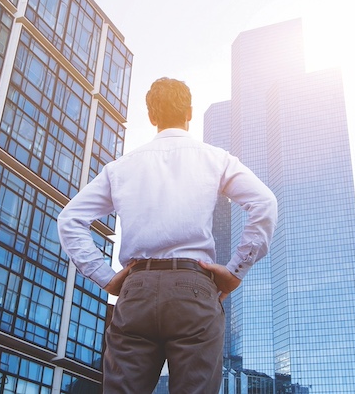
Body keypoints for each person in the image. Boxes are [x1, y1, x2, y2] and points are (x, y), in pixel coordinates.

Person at [58, 77, 277, 393]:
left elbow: (70, 220)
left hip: (137, 291)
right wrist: (234, 271)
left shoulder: (120, 168)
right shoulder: (215, 158)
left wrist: (106, 277)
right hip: (195, 290)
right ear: (189, 112)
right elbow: (264, 203)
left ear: (152, 117)